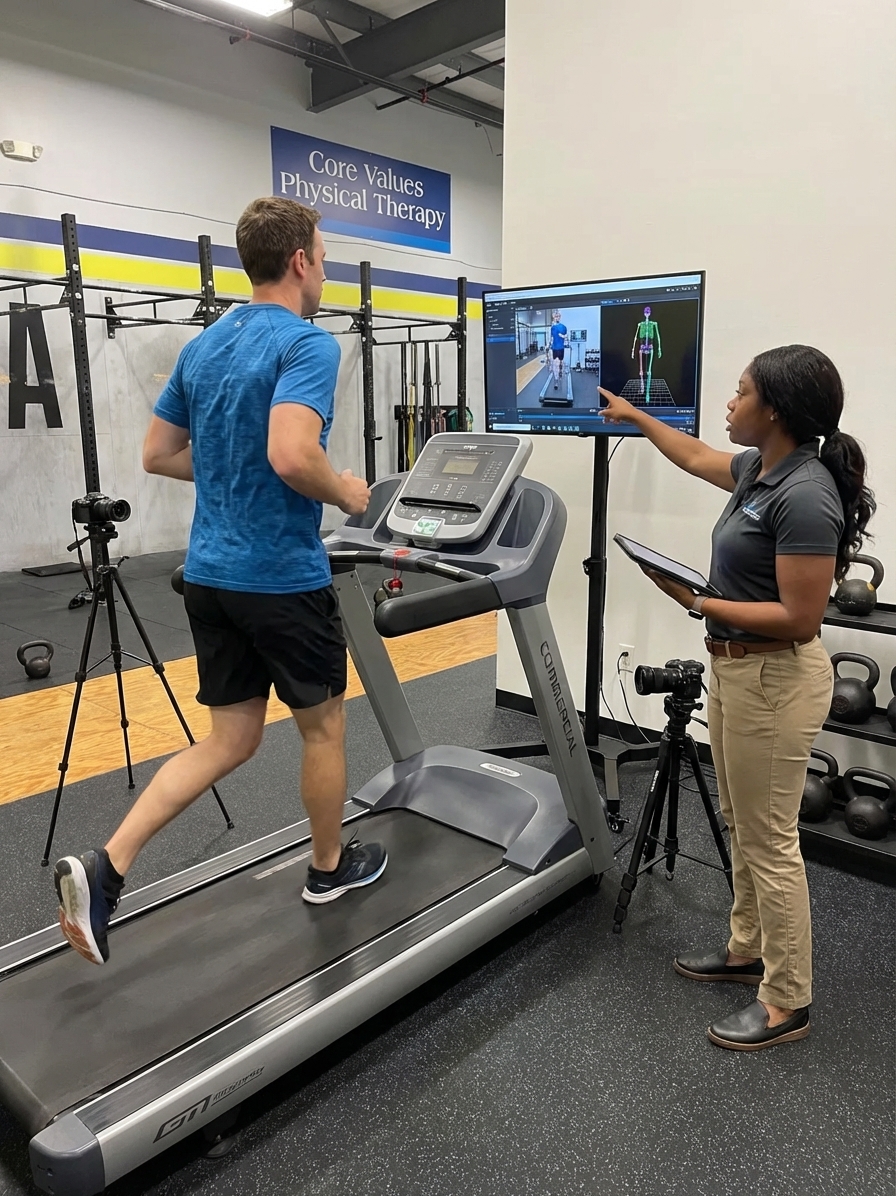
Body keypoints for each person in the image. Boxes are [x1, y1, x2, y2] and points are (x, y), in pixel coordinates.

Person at [54, 197, 388, 966]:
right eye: (325, 255)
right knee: (323, 728)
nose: (327, 268)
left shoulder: (207, 345)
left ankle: (108, 869)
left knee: (230, 739)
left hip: (208, 575)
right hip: (279, 578)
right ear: (301, 260)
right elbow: (292, 455)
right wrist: (344, 491)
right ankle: (329, 871)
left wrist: (236, 466)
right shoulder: (307, 344)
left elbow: (157, 454)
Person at [599, 345, 875, 1050]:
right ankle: (746, 948)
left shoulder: (805, 493)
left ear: (774, 409)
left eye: (741, 390)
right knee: (737, 817)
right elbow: (692, 456)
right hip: (733, 670)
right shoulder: (761, 468)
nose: (730, 399)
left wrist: (698, 598)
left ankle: (788, 999)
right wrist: (633, 416)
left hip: (775, 679)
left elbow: (801, 616)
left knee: (770, 841)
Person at [549, 311, 569, 389]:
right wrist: (548, 345)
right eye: (555, 316)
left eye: (558, 316)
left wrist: (563, 336)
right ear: (554, 317)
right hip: (555, 348)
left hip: (561, 348)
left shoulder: (563, 327)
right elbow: (551, 338)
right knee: (555, 364)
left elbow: (566, 336)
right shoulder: (552, 328)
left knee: (560, 363)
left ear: (560, 317)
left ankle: (560, 371)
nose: (557, 318)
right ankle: (556, 380)